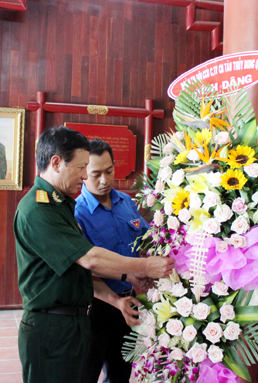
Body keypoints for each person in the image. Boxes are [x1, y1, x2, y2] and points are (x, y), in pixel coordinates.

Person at [13, 126, 174, 383]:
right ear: (56, 163)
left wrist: (128, 276)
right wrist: (145, 267)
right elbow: (90, 259)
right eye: (82, 168)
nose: (84, 176)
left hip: (73, 321)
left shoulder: (61, 204)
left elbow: (78, 269)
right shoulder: (38, 209)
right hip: (53, 325)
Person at [75, 139, 150, 383]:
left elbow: (147, 240)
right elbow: (86, 269)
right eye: (96, 174)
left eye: (109, 171)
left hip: (128, 301)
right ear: (83, 173)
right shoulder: (77, 213)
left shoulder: (126, 203)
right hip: (95, 306)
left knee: (120, 373)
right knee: (86, 373)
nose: (104, 180)